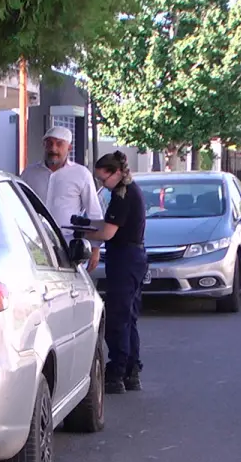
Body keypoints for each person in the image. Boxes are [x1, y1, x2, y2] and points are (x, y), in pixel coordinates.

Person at [83, 151, 148, 394]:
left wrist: (81, 234)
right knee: (129, 316)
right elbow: (111, 225)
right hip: (133, 257)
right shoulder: (129, 191)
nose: (103, 184)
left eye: (103, 179)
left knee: (118, 317)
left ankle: (117, 370)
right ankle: (131, 370)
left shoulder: (123, 196)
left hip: (125, 258)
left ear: (117, 173)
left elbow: (108, 233)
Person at [21, 126, 103, 272]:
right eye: (49, 143)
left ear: (69, 147)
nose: (53, 149)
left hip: (67, 245)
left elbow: (94, 213)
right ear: (44, 145)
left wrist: (95, 249)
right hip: (34, 243)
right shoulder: (29, 173)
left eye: (59, 144)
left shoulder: (81, 174)